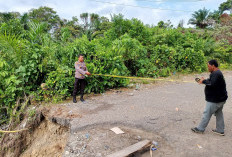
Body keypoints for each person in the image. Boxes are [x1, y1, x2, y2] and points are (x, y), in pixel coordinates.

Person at [191, 59, 228, 136]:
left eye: (208, 66)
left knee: (207, 113)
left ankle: (200, 129)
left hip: (215, 100)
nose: (208, 68)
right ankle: (220, 130)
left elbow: (212, 84)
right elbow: (212, 81)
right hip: (221, 99)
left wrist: (203, 82)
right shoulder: (216, 73)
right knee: (218, 113)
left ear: (213, 66)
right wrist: (204, 80)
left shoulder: (216, 74)